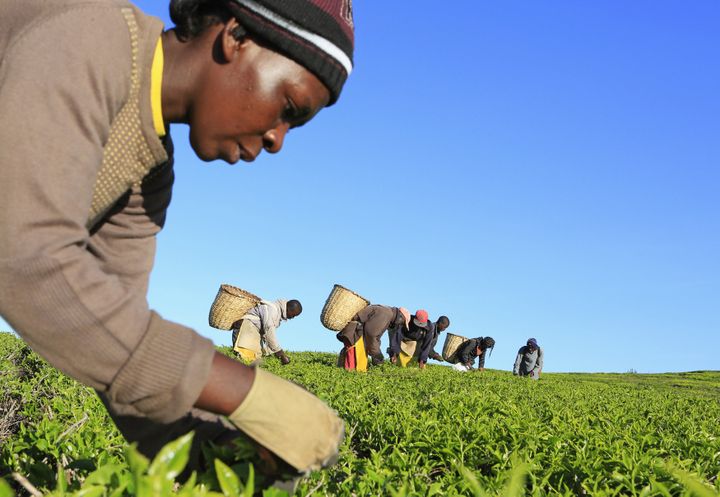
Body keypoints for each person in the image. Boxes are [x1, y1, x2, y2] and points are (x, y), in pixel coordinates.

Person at [0, 0, 354, 480]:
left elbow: (110, 334)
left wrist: (213, 451)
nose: (278, 139)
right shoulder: (89, 37)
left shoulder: (149, 177)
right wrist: (247, 392)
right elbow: (24, 259)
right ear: (236, 37)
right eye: (288, 108)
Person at [232, 299, 301, 365]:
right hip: (247, 328)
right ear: (289, 309)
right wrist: (280, 353)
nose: (293, 317)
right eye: (293, 315)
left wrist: (271, 351)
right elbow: (269, 332)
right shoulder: (273, 311)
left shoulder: (278, 315)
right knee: (246, 357)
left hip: (253, 330)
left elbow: (266, 335)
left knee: (255, 358)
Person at [337, 305, 410, 368]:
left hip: (357, 334)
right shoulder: (386, 314)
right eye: (402, 322)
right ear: (400, 317)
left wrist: (376, 354)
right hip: (356, 334)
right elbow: (372, 335)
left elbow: (376, 337)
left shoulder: (387, 314)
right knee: (355, 367)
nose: (400, 325)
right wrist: (377, 355)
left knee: (358, 366)